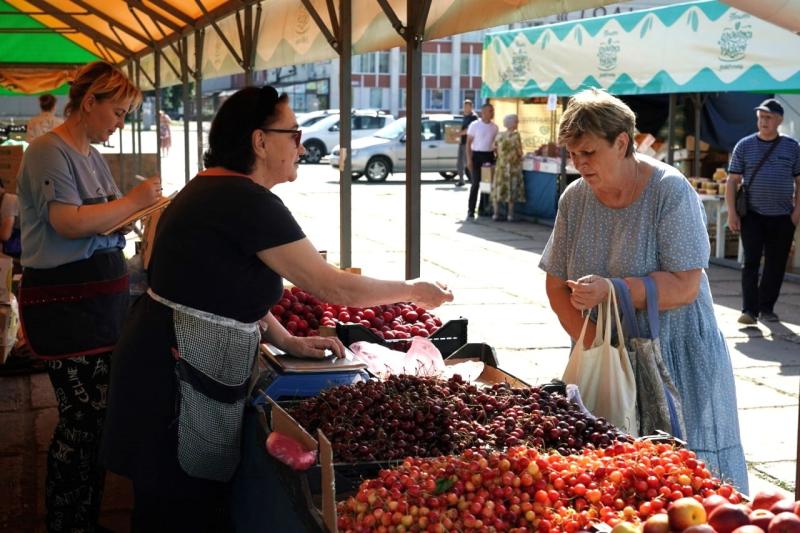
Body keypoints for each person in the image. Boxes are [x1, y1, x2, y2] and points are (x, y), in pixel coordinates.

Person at [100, 85, 453, 531]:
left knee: (170, 503)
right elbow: (331, 285)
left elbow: (223, 285)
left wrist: (285, 339)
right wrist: (412, 290)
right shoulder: (245, 201)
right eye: (294, 134)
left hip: (165, 355)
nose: (302, 147)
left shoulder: (217, 190)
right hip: (172, 372)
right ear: (260, 141)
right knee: (176, 510)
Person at [539, 89, 748, 492]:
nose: (579, 164)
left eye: (588, 152)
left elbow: (685, 286)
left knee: (687, 474)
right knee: (611, 476)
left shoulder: (670, 191)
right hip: (605, 356)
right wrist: (599, 346)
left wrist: (613, 290)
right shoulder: (575, 198)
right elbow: (554, 285)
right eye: (573, 154)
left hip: (675, 353)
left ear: (622, 142)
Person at [16, 61, 161, 532]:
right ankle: (65, 521)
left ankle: (84, 517)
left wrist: (146, 212)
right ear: (90, 102)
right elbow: (68, 222)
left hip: (99, 305)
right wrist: (137, 202)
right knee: (81, 422)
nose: (119, 123)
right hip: (64, 308)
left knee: (95, 422)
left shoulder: (92, 155)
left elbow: (105, 218)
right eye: (116, 112)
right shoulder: (46, 151)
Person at [725, 98, 800, 325]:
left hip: (783, 217)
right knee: (751, 262)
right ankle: (750, 310)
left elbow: (799, 180)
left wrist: (797, 212)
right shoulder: (744, 145)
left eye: (768, 117)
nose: (763, 121)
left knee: (776, 264)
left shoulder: (792, 147)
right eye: (760, 117)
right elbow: (732, 181)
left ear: (779, 120)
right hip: (753, 215)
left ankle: (767, 308)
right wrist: (731, 212)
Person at [465, 103, 498, 221]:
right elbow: (468, 143)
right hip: (476, 155)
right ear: (483, 112)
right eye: (490, 111)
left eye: (493, 111)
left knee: (486, 185)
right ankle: (470, 210)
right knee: (475, 184)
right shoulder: (475, 125)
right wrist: (469, 159)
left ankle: (483, 209)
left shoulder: (495, 127)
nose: (492, 113)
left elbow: (494, 144)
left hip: (488, 156)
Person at [491, 114, 525, 221]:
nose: (517, 124)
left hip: (500, 165)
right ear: (512, 123)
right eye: (516, 122)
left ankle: (495, 214)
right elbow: (519, 152)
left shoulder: (499, 135)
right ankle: (510, 215)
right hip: (512, 167)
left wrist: (501, 157)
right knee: (511, 188)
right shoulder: (515, 136)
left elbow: (494, 148)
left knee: (498, 188)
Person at [456, 99, 478, 187]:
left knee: (468, 163)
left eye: (467, 106)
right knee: (459, 162)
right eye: (464, 106)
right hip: (462, 142)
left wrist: (457, 134)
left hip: (469, 143)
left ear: (471, 107)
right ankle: (461, 180)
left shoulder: (473, 117)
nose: (465, 108)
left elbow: (469, 129)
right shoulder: (465, 116)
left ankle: (474, 180)